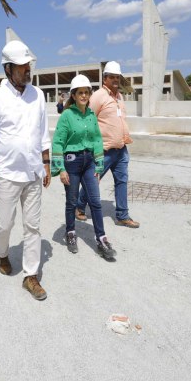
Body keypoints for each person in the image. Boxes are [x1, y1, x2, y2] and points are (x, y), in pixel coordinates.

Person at [0, 40, 51, 301]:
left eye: (28, 66)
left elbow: (43, 133)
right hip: (8, 174)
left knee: (33, 226)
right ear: (8, 69)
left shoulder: (38, 95)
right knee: (5, 224)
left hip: (33, 173)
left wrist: (46, 163)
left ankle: (30, 276)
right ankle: (2, 254)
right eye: (21, 67)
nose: (27, 70)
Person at [51, 75, 116, 259]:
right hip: (71, 163)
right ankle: (70, 232)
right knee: (71, 202)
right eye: (80, 92)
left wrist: (99, 165)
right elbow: (58, 142)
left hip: (89, 163)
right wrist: (61, 168)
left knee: (95, 201)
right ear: (73, 94)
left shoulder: (91, 114)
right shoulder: (67, 116)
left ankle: (101, 239)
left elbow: (97, 139)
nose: (84, 95)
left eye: (86, 92)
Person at [76, 61, 140, 228]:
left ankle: (122, 215)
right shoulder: (98, 96)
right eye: (112, 77)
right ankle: (79, 206)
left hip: (121, 149)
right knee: (93, 181)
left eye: (117, 77)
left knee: (122, 181)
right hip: (103, 150)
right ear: (105, 78)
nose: (115, 80)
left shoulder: (119, 96)